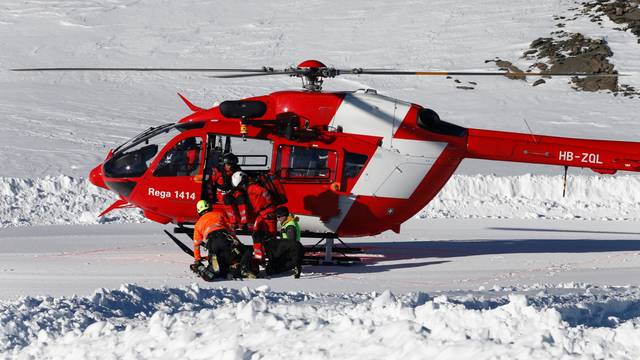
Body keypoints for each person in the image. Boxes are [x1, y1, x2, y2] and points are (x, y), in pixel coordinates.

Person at [192, 199, 252, 280]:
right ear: (209, 207)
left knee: (217, 267)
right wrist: (239, 244)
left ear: (199, 211)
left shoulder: (198, 224)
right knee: (246, 250)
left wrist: (197, 260)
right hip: (225, 241)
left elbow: (196, 244)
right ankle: (240, 268)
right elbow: (231, 231)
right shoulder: (219, 214)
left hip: (212, 246)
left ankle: (208, 270)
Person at [231, 171, 277, 263]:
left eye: (240, 186)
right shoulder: (250, 187)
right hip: (263, 213)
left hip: (267, 213)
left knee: (270, 236)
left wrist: (266, 205)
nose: (241, 188)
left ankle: (272, 257)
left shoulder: (252, 187)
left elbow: (264, 193)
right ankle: (260, 256)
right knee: (257, 234)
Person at [209, 153, 248, 229]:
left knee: (241, 197)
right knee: (227, 199)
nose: (230, 167)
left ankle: (244, 220)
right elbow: (211, 182)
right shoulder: (218, 171)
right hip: (222, 193)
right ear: (224, 163)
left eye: (232, 165)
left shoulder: (237, 170)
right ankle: (233, 221)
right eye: (228, 164)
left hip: (233, 190)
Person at [265, 206, 305, 278]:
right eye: (276, 217)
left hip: (289, 253)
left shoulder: (290, 226)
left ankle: (292, 266)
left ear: (284, 216)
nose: (277, 219)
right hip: (288, 251)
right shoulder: (287, 223)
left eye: (278, 216)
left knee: (271, 270)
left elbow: (291, 242)